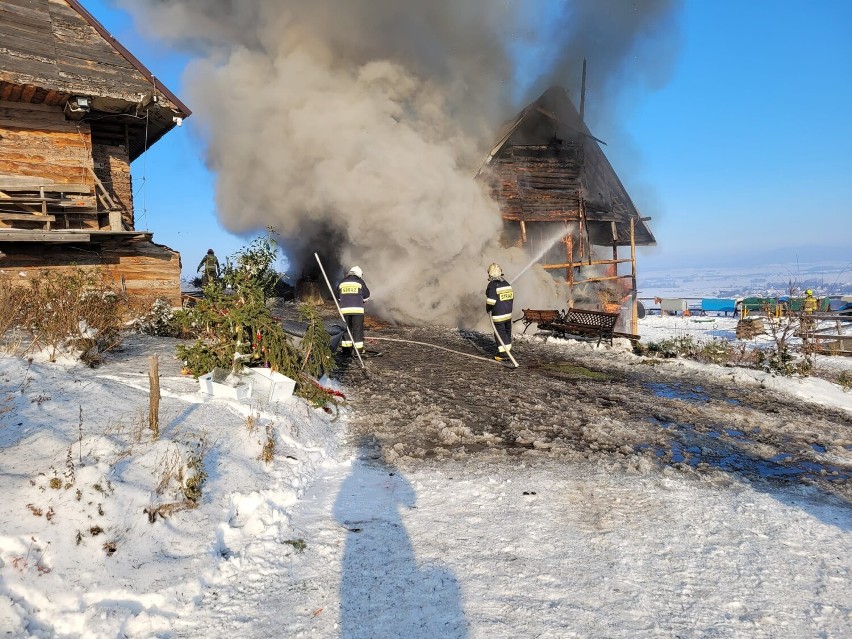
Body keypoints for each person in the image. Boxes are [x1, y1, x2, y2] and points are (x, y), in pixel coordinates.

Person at [337, 265, 370, 356]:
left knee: (345, 330)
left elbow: (338, 297)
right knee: (357, 330)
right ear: (359, 274)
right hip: (357, 311)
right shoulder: (360, 281)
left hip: (344, 311)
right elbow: (367, 296)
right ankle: (358, 351)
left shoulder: (342, 282)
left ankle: (346, 350)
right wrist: (361, 300)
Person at [485, 262, 514, 360]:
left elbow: (491, 301)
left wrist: (488, 308)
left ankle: (503, 354)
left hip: (499, 314)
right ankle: (508, 350)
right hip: (508, 314)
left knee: (500, 333)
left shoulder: (492, 285)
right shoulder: (506, 283)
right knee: (507, 332)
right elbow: (511, 297)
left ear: (490, 274)